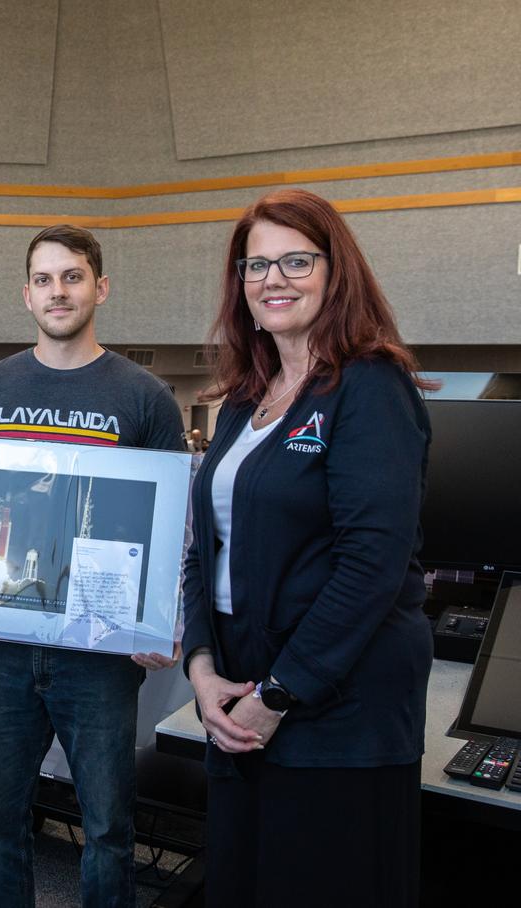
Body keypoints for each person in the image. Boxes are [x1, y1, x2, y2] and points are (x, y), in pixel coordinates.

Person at [0, 224, 186, 908]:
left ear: (100, 286)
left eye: (72, 276)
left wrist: (162, 616)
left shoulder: (145, 396)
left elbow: (168, 524)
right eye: (44, 279)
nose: (58, 291)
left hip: (97, 656)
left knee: (108, 831)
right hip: (0, 652)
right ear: (26, 293)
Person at [181, 188, 435, 908]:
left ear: (336, 271)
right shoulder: (242, 399)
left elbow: (371, 567)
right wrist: (201, 669)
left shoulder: (370, 388)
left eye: (296, 260)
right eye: (255, 266)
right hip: (237, 697)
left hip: (336, 708)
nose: (273, 279)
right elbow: (205, 548)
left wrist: (279, 694)